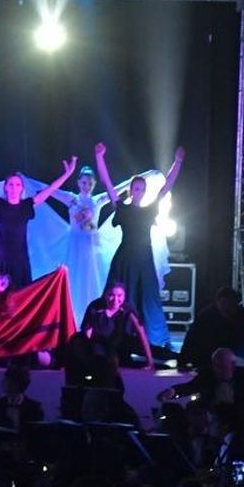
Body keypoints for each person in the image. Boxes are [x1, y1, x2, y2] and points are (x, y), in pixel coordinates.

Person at [92, 141, 184, 350]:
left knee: (149, 299)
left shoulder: (149, 210)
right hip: (125, 258)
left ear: (144, 191)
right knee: (118, 296)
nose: (139, 190)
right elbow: (107, 183)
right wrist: (99, 158)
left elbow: (167, 184)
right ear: (131, 190)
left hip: (144, 258)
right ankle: (114, 336)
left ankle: (155, 341)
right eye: (136, 188)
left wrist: (177, 162)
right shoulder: (122, 209)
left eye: (142, 188)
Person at [0, 147, 77, 295]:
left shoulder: (26, 206)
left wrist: (68, 173)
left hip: (20, 259)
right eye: (11, 184)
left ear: (22, 188)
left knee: (20, 296)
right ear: (5, 187)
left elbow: (49, 190)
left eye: (17, 185)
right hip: (1, 258)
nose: (14, 188)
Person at [178, 287, 244, 377]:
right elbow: (191, 337)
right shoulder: (206, 316)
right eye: (224, 304)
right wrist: (182, 361)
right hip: (210, 352)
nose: (227, 308)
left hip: (238, 351)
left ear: (236, 304)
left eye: (230, 304)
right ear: (217, 303)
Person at [76, 280, 154, 370]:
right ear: (105, 295)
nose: (115, 300)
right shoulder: (95, 307)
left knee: (152, 351)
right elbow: (87, 333)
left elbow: (141, 333)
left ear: (124, 296)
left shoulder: (128, 308)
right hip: (100, 347)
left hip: (121, 346)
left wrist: (150, 361)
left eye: (119, 296)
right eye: (111, 295)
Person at [159, 347, 244, 411]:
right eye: (215, 366)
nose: (218, 370)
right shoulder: (207, 373)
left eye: (222, 367)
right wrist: (173, 391)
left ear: (233, 365)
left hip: (239, 417)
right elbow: (190, 387)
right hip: (213, 418)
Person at [63, 166, 106, 319]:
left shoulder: (97, 200)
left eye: (89, 183)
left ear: (94, 184)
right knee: (73, 278)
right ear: (78, 183)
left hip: (91, 245)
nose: (86, 186)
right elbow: (49, 190)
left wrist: (138, 178)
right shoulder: (71, 198)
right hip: (74, 244)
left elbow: (118, 189)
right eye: (84, 183)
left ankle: (91, 315)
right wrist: (29, 183)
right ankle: (71, 314)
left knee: (90, 278)